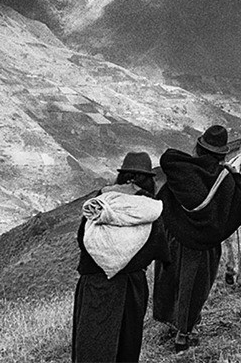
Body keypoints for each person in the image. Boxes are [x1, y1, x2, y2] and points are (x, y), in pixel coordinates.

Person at [153, 126, 241, 352]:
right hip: (203, 245)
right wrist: (234, 174)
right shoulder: (226, 180)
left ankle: (171, 321)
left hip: (174, 239)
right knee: (194, 288)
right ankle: (184, 332)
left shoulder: (182, 170)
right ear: (222, 154)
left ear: (199, 147)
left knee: (171, 281)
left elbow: (168, 159)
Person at [72, 152, 170, 363]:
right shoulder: (150, 208)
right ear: (146, 179)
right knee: (126, 343)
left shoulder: (99, 202)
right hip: (131, 286)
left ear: (124, 176)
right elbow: (157, 246)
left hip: (94, 284)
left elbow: (83, 238)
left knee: (91, 344)